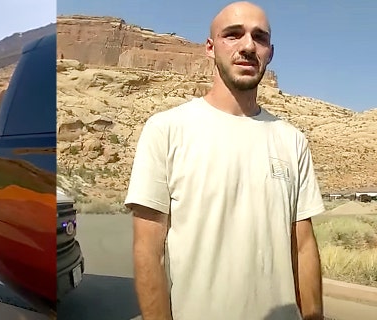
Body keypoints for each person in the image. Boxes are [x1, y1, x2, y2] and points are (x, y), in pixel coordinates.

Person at [125, 2, 324, 320]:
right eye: (233, 35)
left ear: (269, 52)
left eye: (259, 37)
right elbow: (149, 252)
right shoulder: (166, 130)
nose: (248, 46)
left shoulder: (292, 140)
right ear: (210, 47)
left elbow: (302, 246)